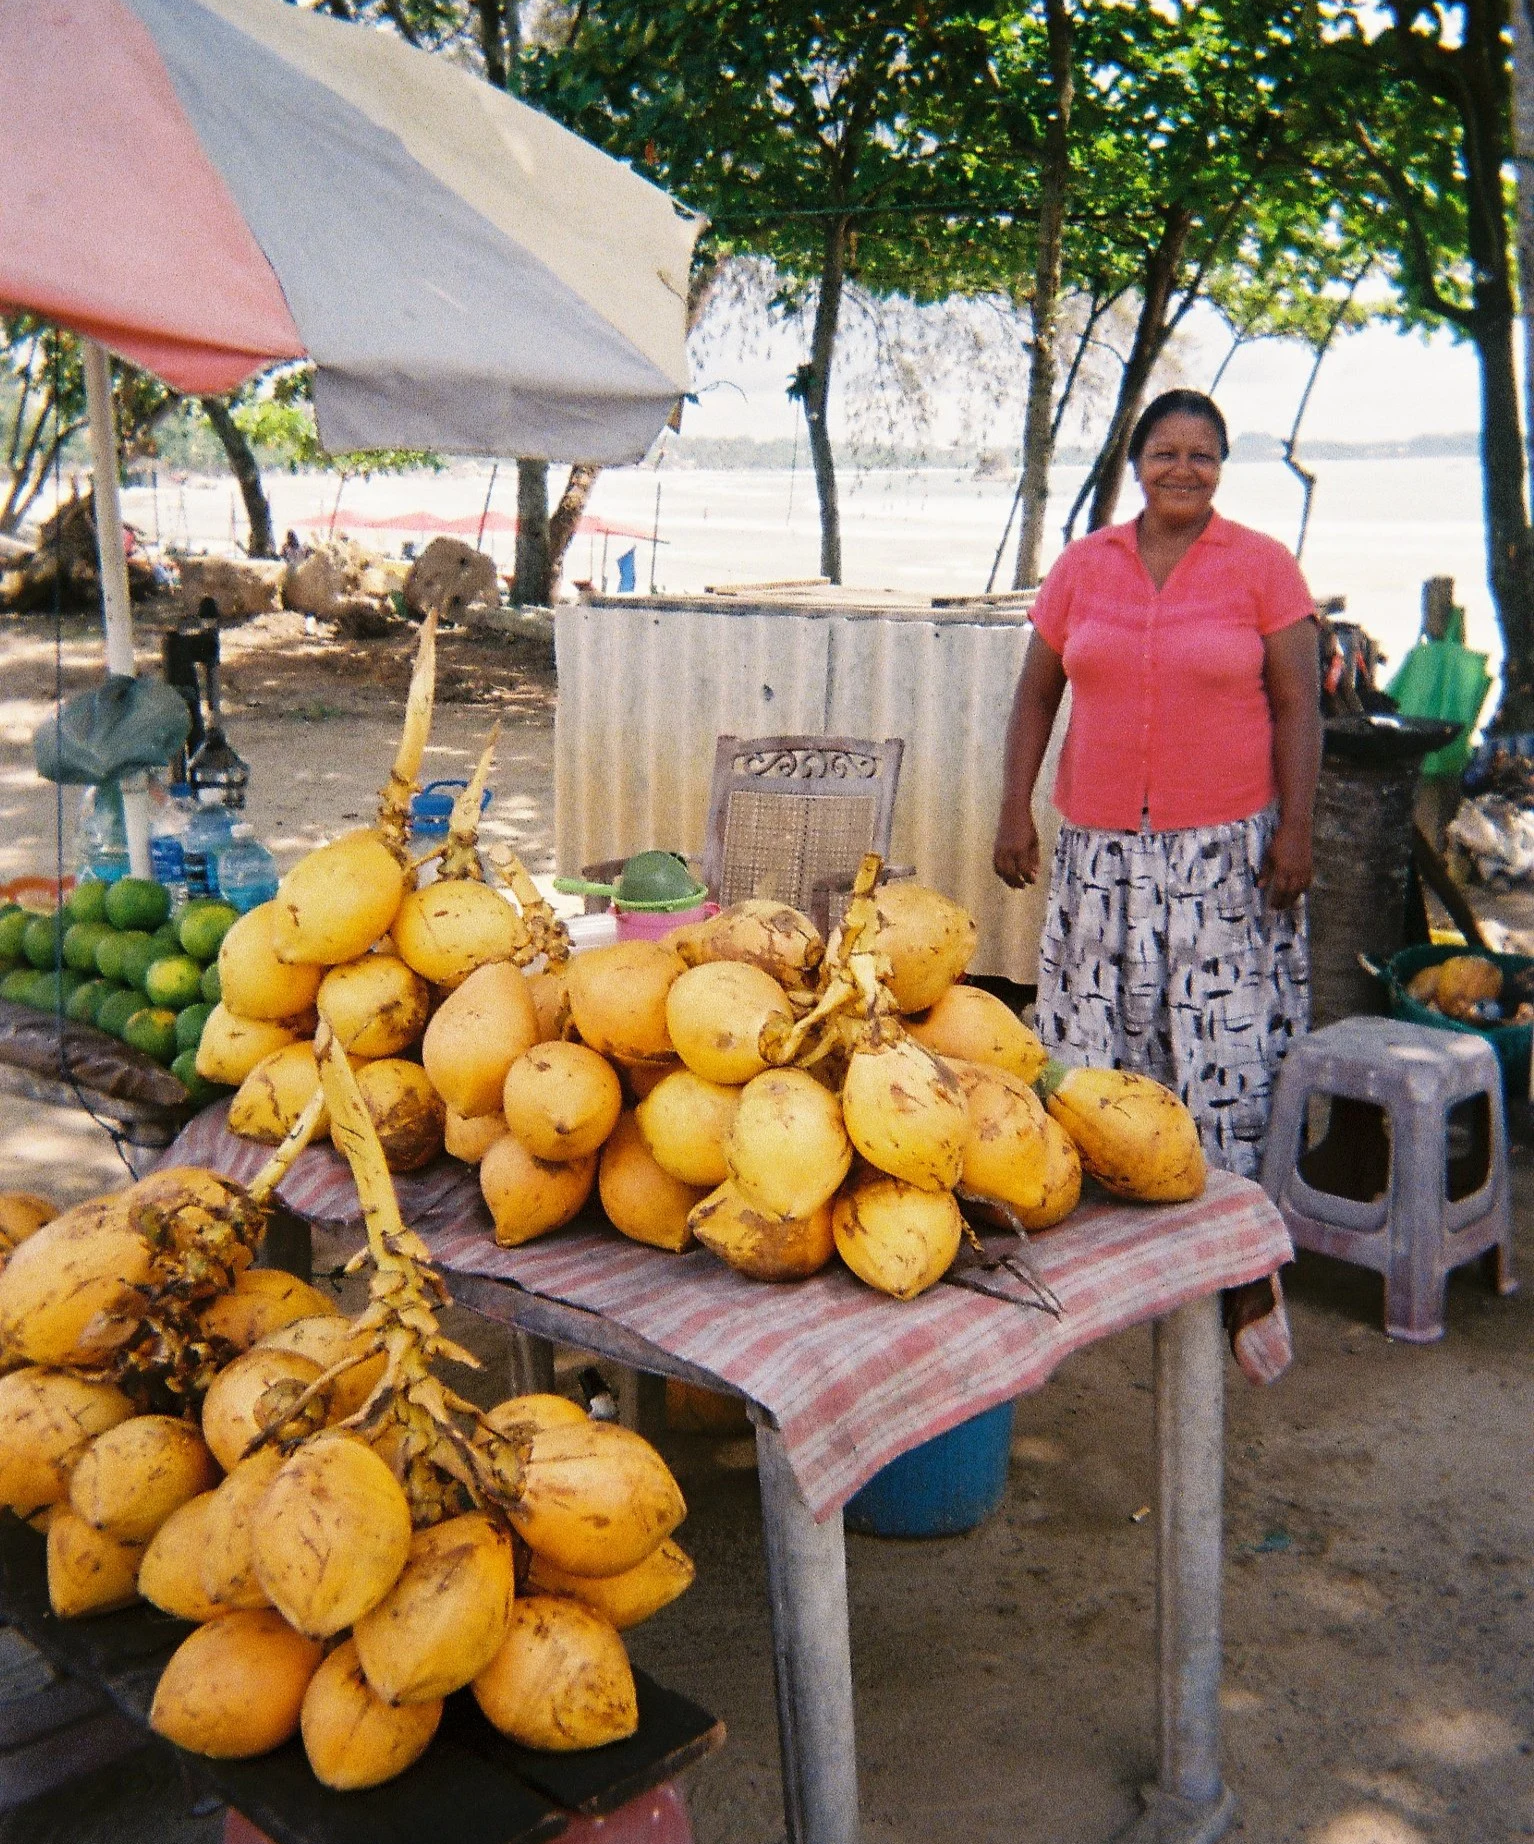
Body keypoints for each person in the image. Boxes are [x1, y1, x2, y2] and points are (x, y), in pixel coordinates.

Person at [993, 389, 1321, 1179]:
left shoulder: (1262, 566)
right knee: (1100, 1054)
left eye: (1201, 454)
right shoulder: (1083, 565)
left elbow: (1299, 705)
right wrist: (1014, 811)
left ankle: (1235, 1242)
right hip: (1099, 853)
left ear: (1221, 468)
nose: (1184, 468)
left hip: (1223, 851)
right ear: (1137, 464)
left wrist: (1298, 829)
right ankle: (1112, 1220)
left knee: (1219, 1053)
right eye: (1165, 453)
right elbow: (1037, 694)